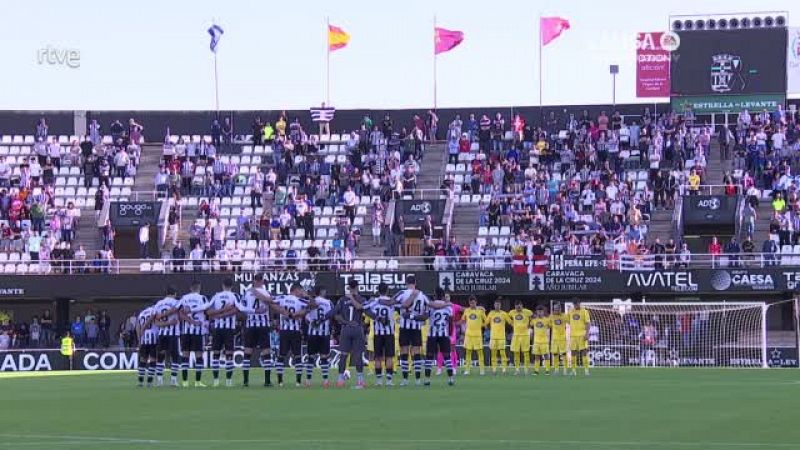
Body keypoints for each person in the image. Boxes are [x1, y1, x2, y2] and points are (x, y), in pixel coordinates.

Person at [269, 283, 308, 387]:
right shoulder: (300, 301)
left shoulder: (282, 298)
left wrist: (281, 310)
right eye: (300, 291)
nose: (301, 293)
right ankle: (298, 382)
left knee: (281, 356)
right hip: (295, 331)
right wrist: (300, 313)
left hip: (284, 331)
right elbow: (311, 306)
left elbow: (270, 302)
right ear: (296, 290)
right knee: (298, 356)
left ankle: (280, 381)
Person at [206, 278, 241, 387]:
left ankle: (216, 380)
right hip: (229, 329)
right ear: (232, 286)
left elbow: (208, 312)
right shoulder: (235, 296)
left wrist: (219, 314)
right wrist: (224, 312)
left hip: (217, 329)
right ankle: (228, 381)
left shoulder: (216, 296)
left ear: (222, 285)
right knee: (229, 354)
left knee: (216, 354)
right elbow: (238, 309)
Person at [333, 279, 367, 388]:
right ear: (357, 287)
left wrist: (346, 322)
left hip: (345, 329)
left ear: (348, 287)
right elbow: (367, 311)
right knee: (358, 355)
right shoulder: (361, 299)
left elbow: (336, 315)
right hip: (357, 328)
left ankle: (340, 380)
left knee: (343, 355)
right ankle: (360, 380)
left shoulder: (342, 300)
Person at [241, 274, 275, 387]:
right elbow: (271, 303)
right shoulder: (266, 292)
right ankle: (267, 381)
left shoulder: (247, 292)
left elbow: (243, 309)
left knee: (247, 352)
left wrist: (252, 311)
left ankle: (245, 381)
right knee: (266, 352)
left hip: (250, 325)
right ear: (262, 281)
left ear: (254, 281)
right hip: (263, 325)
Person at [364, 282, 397, 386]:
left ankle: (378, 381)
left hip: (378, 333)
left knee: (377, 357)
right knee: (389, 357)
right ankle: (389, 381)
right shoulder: (391, 302)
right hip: (389, 333)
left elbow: (365, 309)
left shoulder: (375, 301)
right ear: (387, 290)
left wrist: (376, 318)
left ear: (378, 290)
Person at [178, 281, 209, 387]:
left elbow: (180, 313)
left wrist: (190, 321)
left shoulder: (184, 298)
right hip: (198, 331)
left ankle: (185, 382)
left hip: (186, 331)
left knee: (185, 355)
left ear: (190, 288)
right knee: (199, 356)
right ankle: (197, 382)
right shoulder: (203, 298)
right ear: (199, 288)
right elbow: (208, 312)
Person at [423, 288, 456, 386]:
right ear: (442, 296)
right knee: (447, 356)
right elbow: (450, 322)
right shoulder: (449, 307)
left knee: (429, 356)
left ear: (435, 295)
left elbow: (425, 317)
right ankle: (450, 379)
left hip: (432, 334)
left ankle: (427, 379)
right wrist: (449, 334)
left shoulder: (431, 306)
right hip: (443, 334)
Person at [304, 286, 333, 387]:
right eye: (324, 290)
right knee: (324, 357)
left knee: (311, 357)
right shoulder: (328, 302)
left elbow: (307, 318)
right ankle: (325, 381)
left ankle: (308, 381)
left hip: (313, 333)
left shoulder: (311, 302)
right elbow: (331, 315)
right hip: (324, 333)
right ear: (321, 291)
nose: (326, 291)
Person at [153, 286, 182, 387]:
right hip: (173, 334)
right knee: (175, 357)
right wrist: (170, 322)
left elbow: (156, 322)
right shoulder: (176, 302)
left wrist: (164, 320)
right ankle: (173, 380)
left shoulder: (158, 304)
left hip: (162, 334)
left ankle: (159, 380)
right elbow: (179, 312)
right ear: (174, 294)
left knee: (160, 357)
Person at [461, 295, 487, 375]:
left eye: (474, 303)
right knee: (468, 352)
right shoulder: (467, 311)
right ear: (469, 303)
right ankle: (467, 370)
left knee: (480, 352)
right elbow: (463, 320)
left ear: (476, 302)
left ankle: (482, 370)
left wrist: (481, 326)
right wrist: (463, 331)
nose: (472, 304)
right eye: (471, 303)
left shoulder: (480, 311)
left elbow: (486, 321)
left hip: (478, 335)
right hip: (468, 335)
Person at [135, 303, 159, 387]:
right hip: (153, 339)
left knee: (143, 360)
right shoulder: (154, 310)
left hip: (144, 339)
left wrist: (139, 340)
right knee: (153, 360)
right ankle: (149, 382)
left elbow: (137, 327)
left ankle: (140, 382)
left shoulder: (141, 314)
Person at [486, 299, 511, 374]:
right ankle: (494, 369)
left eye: (498, 305)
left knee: (502, 353)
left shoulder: (504, 314)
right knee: (493, 353)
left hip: (501, 337)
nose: (497, 306)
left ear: (500, 305)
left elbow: (510, 322)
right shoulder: (491, 313)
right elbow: (486, 323)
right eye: (496, 304)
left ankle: (504, 369)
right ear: (494, 305)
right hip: (493, 337)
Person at [508, 300, 533, 375]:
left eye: (519, 305)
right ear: (514, 306)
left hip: (525, 335)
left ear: (522, 305)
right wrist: (512, 324)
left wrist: (530, 326)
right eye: (516, 305)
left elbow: (533, 318)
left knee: (526, 353)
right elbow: (507, 317)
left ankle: (526, 370)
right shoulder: (512, 312)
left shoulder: (528, 312)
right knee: (516, 353)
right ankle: (517, 369)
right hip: (516, 335)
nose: (518, 307)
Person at [567, 300, 591, 376]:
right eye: (574, 304)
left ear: (579, 303)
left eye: (577, 303)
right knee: (573, 353)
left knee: (584, 352)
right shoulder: (570, 311)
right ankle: (573, 371)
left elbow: (588, 323)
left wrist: (587, 334)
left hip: (582, 335)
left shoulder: (584, 311)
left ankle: (586, 370)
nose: (575, 305)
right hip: (573, 336)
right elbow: (568, 321)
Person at [531, 306, 551, 375]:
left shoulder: (547, 320)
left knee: (546, 356)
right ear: (536, 312)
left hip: (544, 341)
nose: (540, 313)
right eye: (538, 311)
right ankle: (536, 371)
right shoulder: (534, 320)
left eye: (541, 311)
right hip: (536, 341)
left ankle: (547, 370)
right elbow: (529, 325)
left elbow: (551, 326)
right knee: (537, 356)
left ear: (543, 312)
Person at [549, 302, 568, 375]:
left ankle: (565, 370)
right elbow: (549, 325)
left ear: (560, 309)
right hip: (554, 339)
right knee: (555, 354)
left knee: (563, 354)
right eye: (555, 309)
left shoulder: (564, 316)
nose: (556, 311)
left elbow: (569, 322)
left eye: (557, 309)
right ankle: (556, 369)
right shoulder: (551, 316)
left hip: (562, 338)